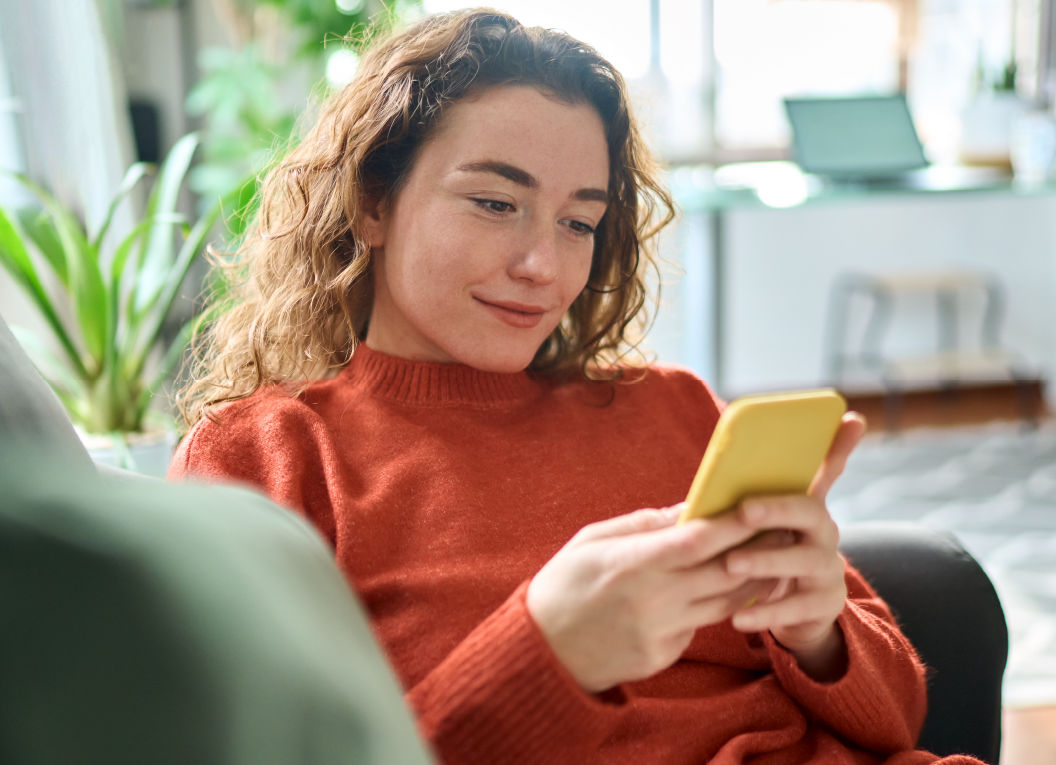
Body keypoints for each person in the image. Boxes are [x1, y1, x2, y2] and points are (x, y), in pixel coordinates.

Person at [170, 9, 985, 764]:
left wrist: (820, 634)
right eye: (495, 203)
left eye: (579, 222)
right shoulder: (268, 459)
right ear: (372, 201)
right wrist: (544, 655)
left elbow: (898, 720)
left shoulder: (675, 408)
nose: (542, 266)